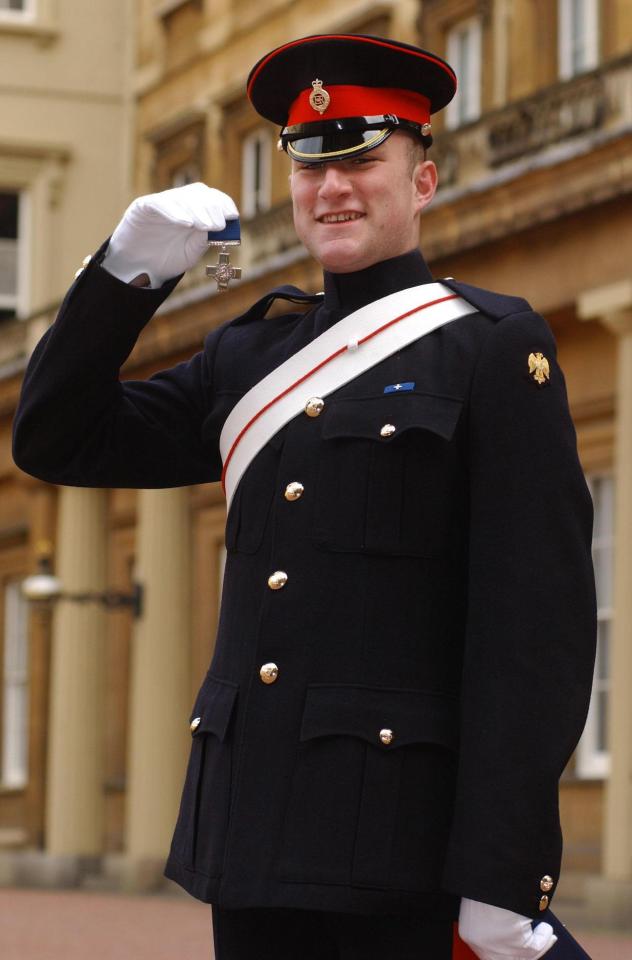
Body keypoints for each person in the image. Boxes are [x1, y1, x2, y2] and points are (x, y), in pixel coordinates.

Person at [13, 33, 596, 960]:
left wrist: (503, 873)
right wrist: (129, 272)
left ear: (424, 180)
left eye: (365, 159)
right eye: (311, 165)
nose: (334, 189)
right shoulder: (248, 356)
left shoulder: (487, 348)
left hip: (403, 852)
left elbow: (536, 633)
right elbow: (55, 437)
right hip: (250, 837)